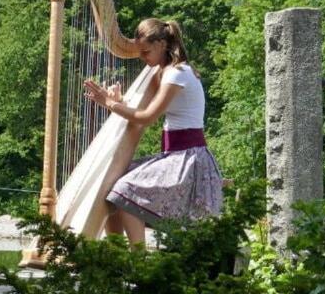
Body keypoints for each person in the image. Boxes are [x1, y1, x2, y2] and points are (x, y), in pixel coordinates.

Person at [83, 18, 223, 244]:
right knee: (112, 181)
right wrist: (119, 102)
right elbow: (141, 113)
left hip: (188, 159)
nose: (142, 58)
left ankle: (136, 258)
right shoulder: (167, 72)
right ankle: (115, 252)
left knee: (125, 190)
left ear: (162, 45)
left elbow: (147, 117)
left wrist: (109, 103)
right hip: (175, 155)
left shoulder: (177, 74)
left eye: (146, 52)